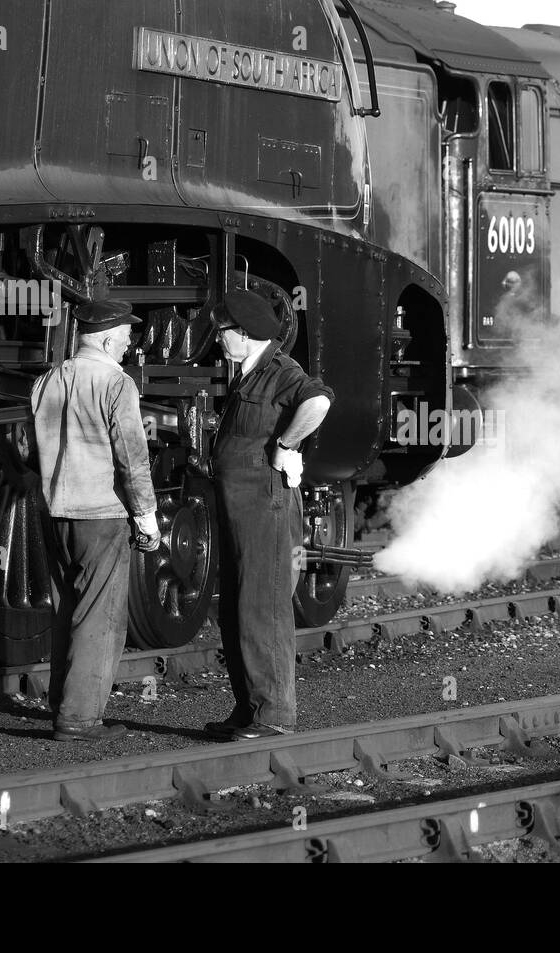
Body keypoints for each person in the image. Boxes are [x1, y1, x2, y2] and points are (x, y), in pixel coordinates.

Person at [30, 300, 161, 743]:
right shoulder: (115, 384)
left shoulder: (47, 380)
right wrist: (146, 517)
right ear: (107, 338)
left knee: (66, 609)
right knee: (99, 617)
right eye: (126, 337)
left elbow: (29, 449)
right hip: (101, 515)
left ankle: (61, 702)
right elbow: (132, 456)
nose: (129, 345)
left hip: (55, 512)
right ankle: (80, 717)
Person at [205, 290, 333, 740]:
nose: (217, 339)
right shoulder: (248, 374)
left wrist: (285, 445)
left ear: (243, 334)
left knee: (263, 605)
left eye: (223, 331)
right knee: (238, 608)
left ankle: (275, 714)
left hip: (266, 505)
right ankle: (250, 708)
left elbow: (318, 402)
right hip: (240, 509)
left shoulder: (281, 371)